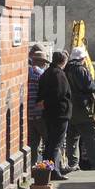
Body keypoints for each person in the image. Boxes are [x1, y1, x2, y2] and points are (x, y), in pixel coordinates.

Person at [64, 46, 95, 170]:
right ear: (83, 58)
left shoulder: (66, 69)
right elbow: (88, 86)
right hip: (84, 110)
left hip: (70, 110)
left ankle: (73, 163)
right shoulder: (80, 69)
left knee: (72, 137)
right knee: (93, 134)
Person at [36, 50, 72, 180]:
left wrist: (44, 104)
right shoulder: (59, 74)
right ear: (63, 61)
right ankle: (54, 171)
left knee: (50, 143)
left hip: (48, 114)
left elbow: (41, 94)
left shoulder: (46, 73)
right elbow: (60, 94)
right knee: (56, 144)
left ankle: (46, 170)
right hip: (59, 114)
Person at [27, 44, 48, 164]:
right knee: (48, 142)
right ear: (42, 62)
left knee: (32, 146)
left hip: (28, 115)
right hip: (40, 114)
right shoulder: (41, 75)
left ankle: (32, 169)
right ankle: (48, 168)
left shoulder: (26, 73)